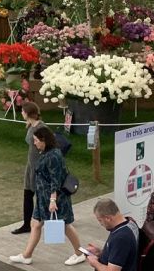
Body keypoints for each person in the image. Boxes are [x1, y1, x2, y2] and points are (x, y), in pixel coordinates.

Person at [8, 125, 85, 266]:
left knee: (65, 226)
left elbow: (55, 179)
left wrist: (53, 200)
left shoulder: (53, 156)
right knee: (36, 224)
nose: (34, 143)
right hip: (43, 198)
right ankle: (26, 255)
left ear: (44, 140)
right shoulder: (46, 152)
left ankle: (80, 253)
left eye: (36, 140)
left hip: (54, 199)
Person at [11, 102, 45, 235]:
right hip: (30, 166)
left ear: (28, 113)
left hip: (40, 167)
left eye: (23, 111)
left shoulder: (41, 127)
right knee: (28, 194)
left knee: (43, 196)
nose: (21, 113)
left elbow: (48, 146)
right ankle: (26, 224)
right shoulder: (31, 125)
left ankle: (60, 219)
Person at [86, 198, 139, 271]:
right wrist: (101, 252)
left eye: (100, 220)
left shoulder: (120, 237)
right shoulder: (130, 222)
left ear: (108, 218)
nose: (101, 224)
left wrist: (95, 263)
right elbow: (121, 254)